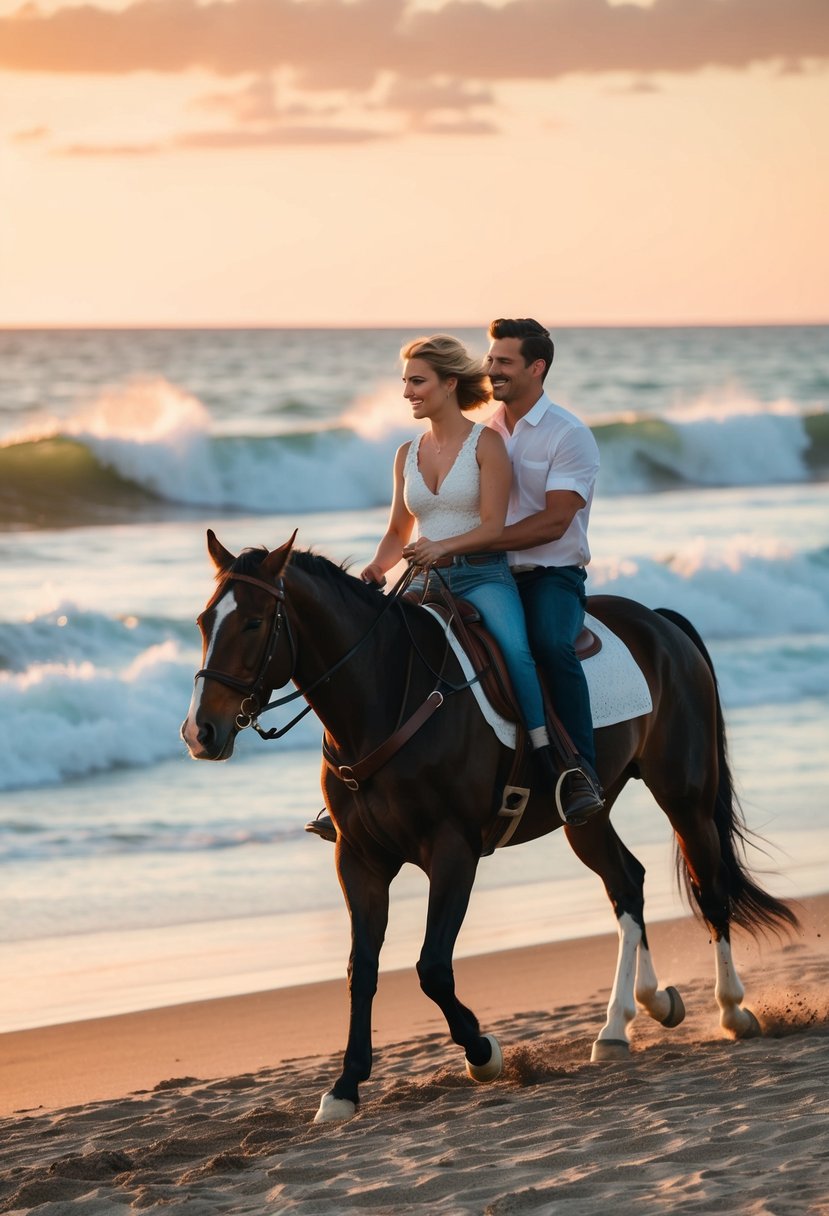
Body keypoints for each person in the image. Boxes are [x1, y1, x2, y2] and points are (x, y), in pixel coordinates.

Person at [305, 334, 558, 842]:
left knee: (516, 650)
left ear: (449, 383)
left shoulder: (488, 445)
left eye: (417, 382)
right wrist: (378, 568)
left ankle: (552, 761)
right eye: (405, 382)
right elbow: (400, 532)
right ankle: (350, 790)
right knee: (367, 660)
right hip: (421, 581)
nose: (407, 393)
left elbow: (492, 526)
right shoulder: (406, 453)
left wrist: (444, 548)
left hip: (482, 575)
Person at [484, 317, 604, 824]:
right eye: (490, 360)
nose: (492, 370)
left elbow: (555, 522)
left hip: (549, 574)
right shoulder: (483, 431)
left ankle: (581, 771)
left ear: (537, 368)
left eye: (504, 362)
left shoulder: (568, 434)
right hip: (484, 571)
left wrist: (474, 542)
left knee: (551, 644)